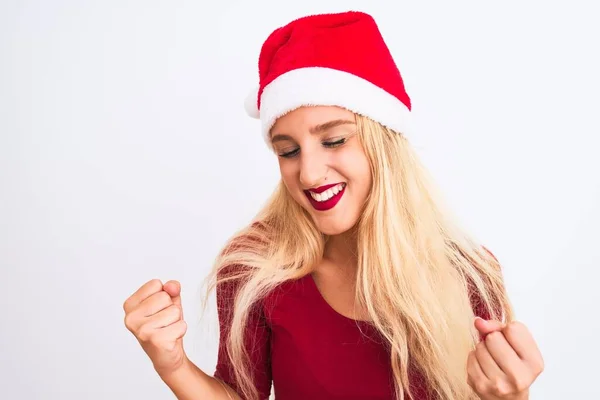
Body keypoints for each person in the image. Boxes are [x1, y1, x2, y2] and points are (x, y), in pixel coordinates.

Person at [123, 10, 544, 400]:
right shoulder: (255, 266)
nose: (307, 174)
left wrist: (511, 397)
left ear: (384, 144)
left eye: (334, 140)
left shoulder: (469, 273)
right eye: (288, 151)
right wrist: (173, 364)